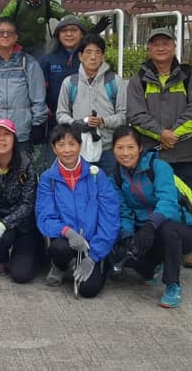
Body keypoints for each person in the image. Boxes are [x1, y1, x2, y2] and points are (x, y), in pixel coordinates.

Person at [127, 27, 192, 268]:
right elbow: (135, 114)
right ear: (148, 49)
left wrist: (173, 135)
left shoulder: (190, 76)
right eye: (155, 44)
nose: (160, 48)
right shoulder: (139, 78)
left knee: (189, 199)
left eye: (165, 43)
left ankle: (191, 248)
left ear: (174, 47)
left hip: (184, 152)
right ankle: (160, 246)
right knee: (155, 200)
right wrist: (160, 134)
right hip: (153, 154)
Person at [110, 126, 192, 308]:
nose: (125, 153)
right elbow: (124, 211)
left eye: (130, 147)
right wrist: (128, 236)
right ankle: (153, 266)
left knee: (167, 229)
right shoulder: (116, 178)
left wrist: (151, 225)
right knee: (128, 255)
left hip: (179, 229)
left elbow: (168, 202)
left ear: (140, 148)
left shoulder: (159, 167)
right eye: (120, 148)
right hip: (145, 231)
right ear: (113, 150)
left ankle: (172, 284)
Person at [36, 124, 120, 298]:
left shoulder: (97, 175)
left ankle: (93, 263)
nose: (67, 150)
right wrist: (68, 232)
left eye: (72, 144)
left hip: (93, 244)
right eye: (61, 144)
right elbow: (45, 216)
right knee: (58, 248)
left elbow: (109, 218)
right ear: (54, 148)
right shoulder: (48, 179)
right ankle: (60, 265)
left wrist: (93, 256)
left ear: (80, 146)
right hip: (67, 240)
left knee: (88, 290)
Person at [0, 119, 41, 283]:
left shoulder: (26, 165)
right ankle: (1, 256)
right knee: (5, 237)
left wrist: (6, 223)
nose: (1, 139)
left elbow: (28, 204)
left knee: (21, 274)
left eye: (6, 134)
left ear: (14, 139)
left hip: (24, 225)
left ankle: (35, 250)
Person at [0, 17, 48, 152]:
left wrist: (37, 124)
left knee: (23, 171)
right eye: (1, 32)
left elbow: (38, 97)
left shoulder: (29, 63)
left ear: (16, 36)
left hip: (21, 131)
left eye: (10, 32)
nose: (5, 35)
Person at [55, 34, 126, 178]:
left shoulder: (116, 82)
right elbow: (61, 114)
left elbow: (123, 116)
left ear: (103, 56)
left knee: (109, 189)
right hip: (78, 149)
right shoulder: (70, 83)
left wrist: (103, 121)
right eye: (88, 52)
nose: (93, 57)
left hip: (108, 149)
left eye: (97, 52)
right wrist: (75, 123)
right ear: (80, 56)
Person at [0, 0, 109, 58]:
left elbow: (69, 17)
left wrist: (91, 28)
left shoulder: (48, 3)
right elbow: (1, 22)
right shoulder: (16, 3)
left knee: (41, 73)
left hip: (38, 47)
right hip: (16, 45)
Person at [40, 16, 88, 132]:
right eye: (64, 31)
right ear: (58, 35)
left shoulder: (90, 59)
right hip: (55, 120)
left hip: (85, 118)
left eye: (73, 30)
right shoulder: (48, 60)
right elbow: (40, 91)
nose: (69, 34)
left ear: (82, 34)